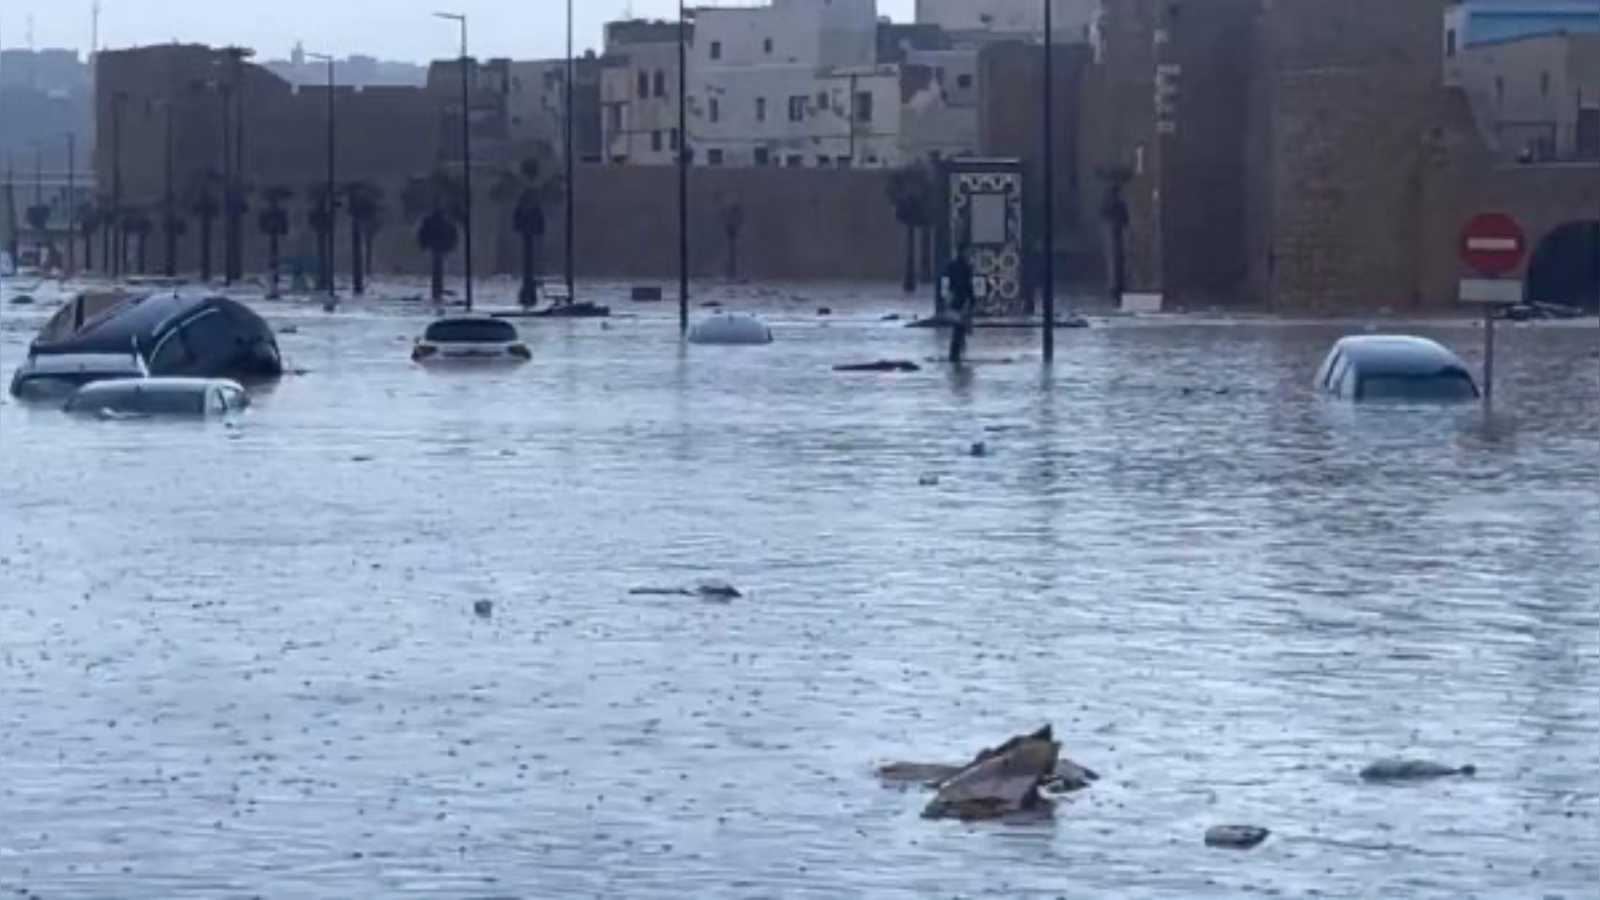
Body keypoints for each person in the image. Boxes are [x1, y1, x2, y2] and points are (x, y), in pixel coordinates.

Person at [944, 246, 976, 364]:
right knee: (959, 327)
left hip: (955, 298)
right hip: (961, 299)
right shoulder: (965, 267)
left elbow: (949, 282)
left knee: (958, 327)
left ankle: (955, 353)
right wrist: (972, 299)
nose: (969, 254)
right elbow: (967, 285)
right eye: (967, 251)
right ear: (963, 252)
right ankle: (954, 354)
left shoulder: (952, 265)